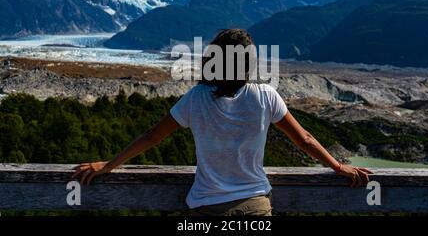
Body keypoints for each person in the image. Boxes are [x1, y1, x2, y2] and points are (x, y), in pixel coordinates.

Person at [73, 29, 373, 216]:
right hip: (254, 207)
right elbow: (304, 139)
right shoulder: (266, 95)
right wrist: (337, 166)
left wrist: (108, 165)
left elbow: (152, 137)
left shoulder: (196, 98)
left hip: (205, 208)